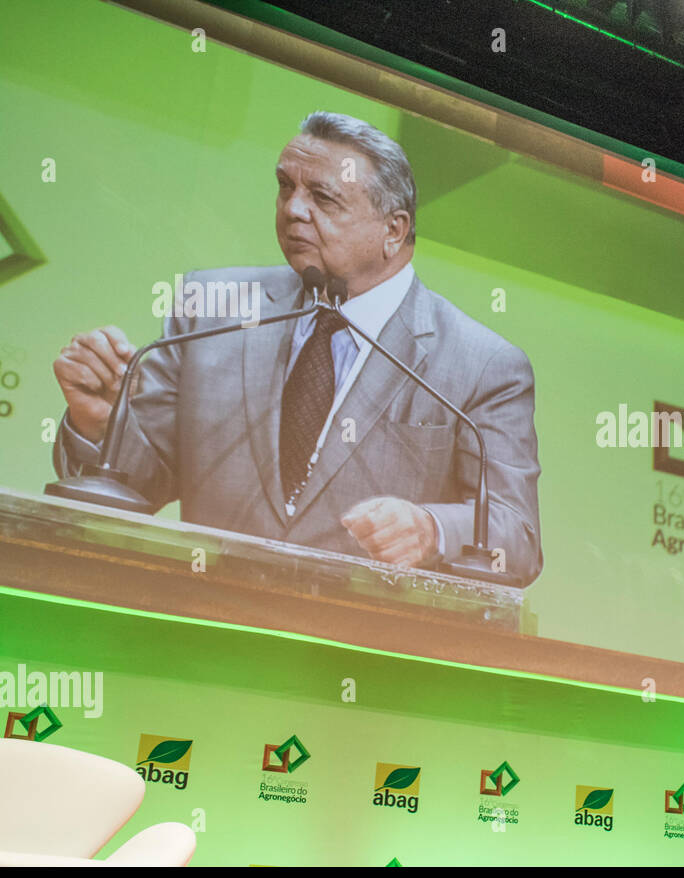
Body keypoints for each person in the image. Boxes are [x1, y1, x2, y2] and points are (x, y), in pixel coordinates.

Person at [51, 112, 542, 584]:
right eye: (286, 186)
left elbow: (516, 539)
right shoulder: (211, 309)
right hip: (200, 630)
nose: (293, 209)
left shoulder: (483, 364)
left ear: (393, 230)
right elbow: (138, 486)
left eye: (323, 198)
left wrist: (431, 530)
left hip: (361, 653)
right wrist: (102, 425)